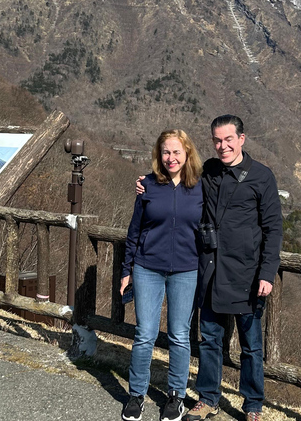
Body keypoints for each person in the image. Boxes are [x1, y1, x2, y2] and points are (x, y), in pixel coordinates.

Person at [137, 116, 283, 421]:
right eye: (217, 140)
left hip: (248, 273)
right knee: (210, 340)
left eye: (229, 139)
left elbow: (273, 229)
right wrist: (147, 183)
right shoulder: (209, 173)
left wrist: (267, 273)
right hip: (212, 271)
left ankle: (253, 404)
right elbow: (177, 180)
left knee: (251, 346)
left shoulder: (262, 177)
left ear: (242, 138)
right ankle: (208, 398)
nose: (223, 146)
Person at [121, 129, 204, 421]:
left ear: (187, 154)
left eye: (176, 152)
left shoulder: (201, 187)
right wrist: (126, 269)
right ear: (159, 155)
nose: (171, 158)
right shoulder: (148, 185)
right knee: (145, 334)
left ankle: (175, 396)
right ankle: (136, 395)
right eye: (165, 152)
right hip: (147, 267)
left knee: (180, 336)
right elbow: (134, 229)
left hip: (186, 269)